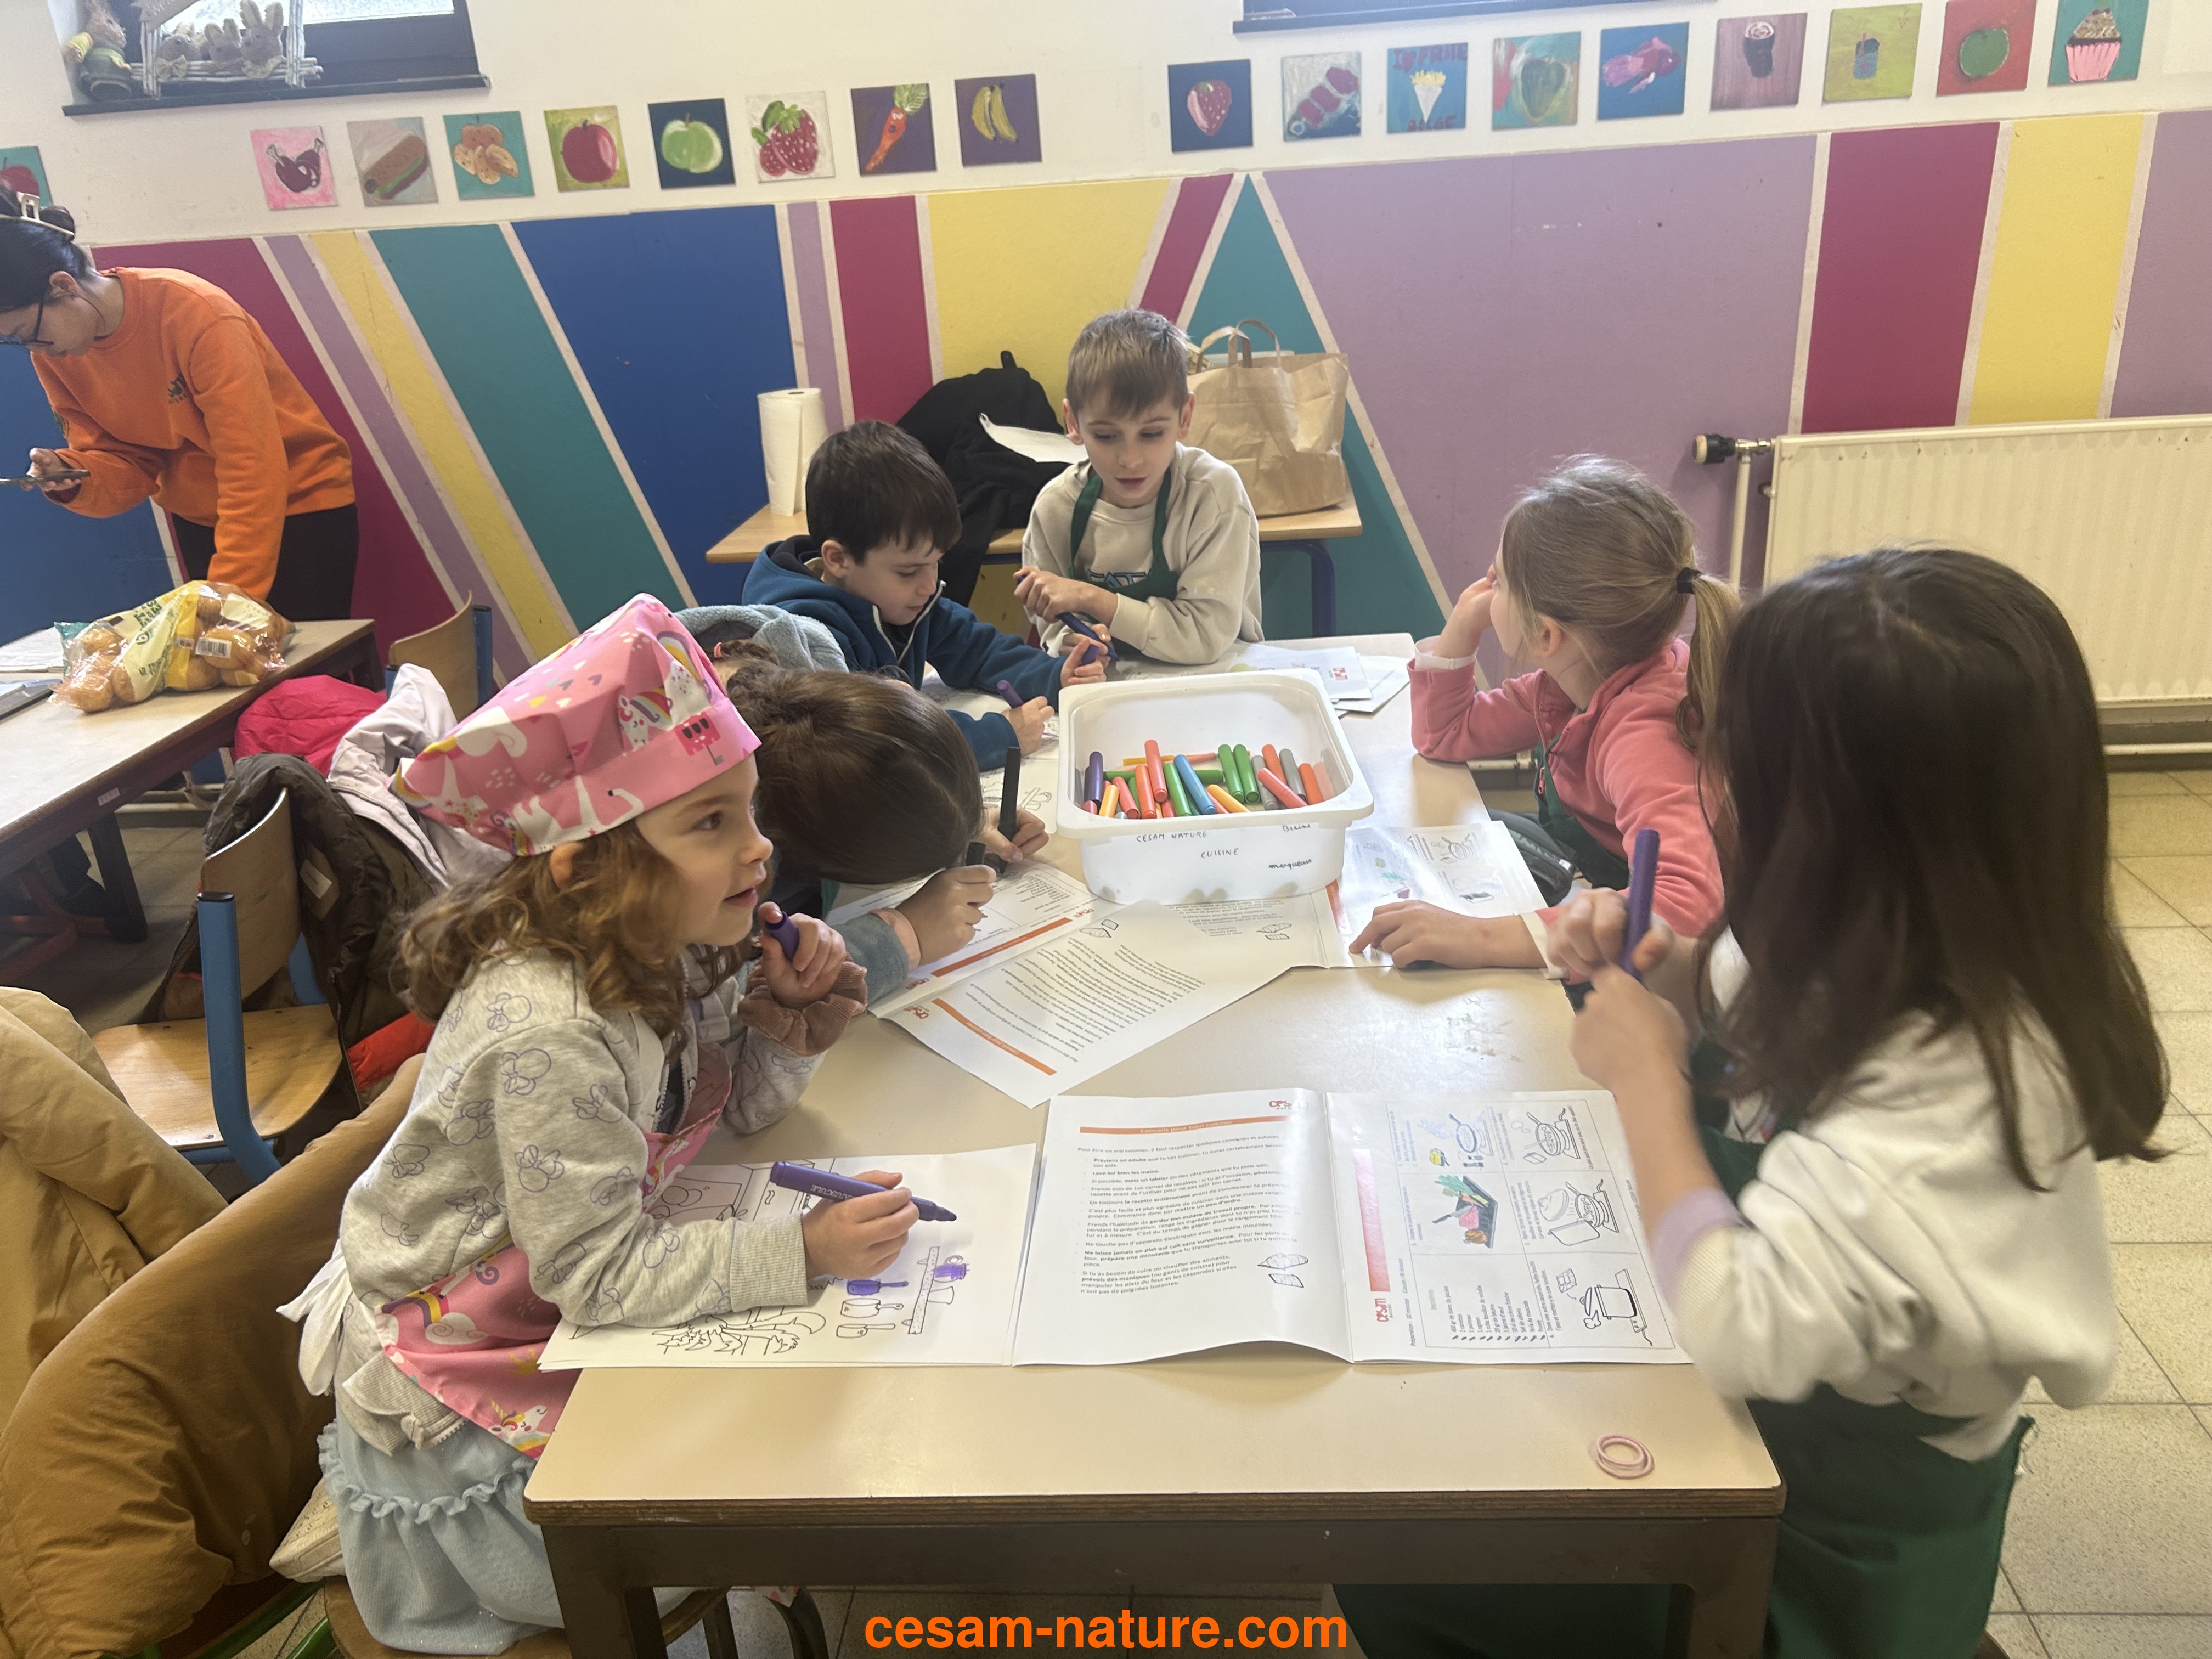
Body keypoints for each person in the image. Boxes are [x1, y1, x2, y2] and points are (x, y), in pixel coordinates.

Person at [1339, 548, 2167, 1659]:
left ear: (1833, 825)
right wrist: (1663, 966)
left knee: (1418, 1562)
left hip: (1827, 1546)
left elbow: (1740, 1326)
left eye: (1723, 757)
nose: (1707, 784)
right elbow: (1736, 997)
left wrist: (1648, 1083)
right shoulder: (1866, 927)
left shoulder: (1954, 1109)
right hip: (1755, 1428)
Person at [291, 596, 911, 1651]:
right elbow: (598, 1275)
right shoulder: (553, 1032)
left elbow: (726, 1114)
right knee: (747, 1502)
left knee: (796, 1442)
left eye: (748, 809)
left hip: (556, 1277)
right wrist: (799, 1249)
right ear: (585, 865)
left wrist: (788, 1024)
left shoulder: (667, 938)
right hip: (467, 1364)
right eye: (710, 822)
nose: (760, 849)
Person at [1356, 457, 1734, 973]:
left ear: (1546, 636)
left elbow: (1685, 909)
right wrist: (1463, 626)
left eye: (1499, 582)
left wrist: (1478, 939)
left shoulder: (1644, 735)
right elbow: (1445, 735)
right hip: (1603, 882)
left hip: (1693, 970)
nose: (1487, 589)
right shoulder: (1569, 682)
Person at [0, 188, 356, 619]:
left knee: (298, 661)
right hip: (202, 517)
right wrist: (73, 476)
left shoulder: (196, 313)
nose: (33, 349)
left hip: (296, 506)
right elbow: (128, 462)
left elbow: (252, 464)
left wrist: (226, 595)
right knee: (220, 657)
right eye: (17, 341)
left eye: (29, 332)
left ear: (63, 286)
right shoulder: (57, 353)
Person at [684, 612, 1041, 1006]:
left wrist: (964, 821)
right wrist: (903, 937)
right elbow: (706, 1000)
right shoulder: (710, 827)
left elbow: (883, 766)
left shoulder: (812, 703)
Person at [744, 421, 1104, 771]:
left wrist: (1056, 676)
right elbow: (874, 743)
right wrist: (1001, 735)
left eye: (937, 564)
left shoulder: (901, 599)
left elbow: (979, 651)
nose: (930, 585)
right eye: (908, 572)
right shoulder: (805, 640)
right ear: (838, 560)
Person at [1016, 308, 1262, 665]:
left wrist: (1091, 598)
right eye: (1106, 436)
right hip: (1112, 686)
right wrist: (1072, 644)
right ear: (1073, 423)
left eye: (1152, 434)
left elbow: (1204, 637)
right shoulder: (1055, 508)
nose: (1130, 460)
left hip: (1217, 680)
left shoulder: (1213, 494)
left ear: (1185, 417)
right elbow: (1054, 626)